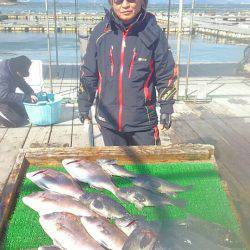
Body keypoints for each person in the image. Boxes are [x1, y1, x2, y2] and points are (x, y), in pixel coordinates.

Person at [78, 0, 177, 146]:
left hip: (143, 122)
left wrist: (166, 107)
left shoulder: (154, 33)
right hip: (108, 121)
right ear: (111, 3)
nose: (125, 5)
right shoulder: (100, 32)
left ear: (142, 2)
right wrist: (83, 104)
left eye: (131, 0)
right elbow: (88, 72)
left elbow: (166, 73)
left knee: (148, 167)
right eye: (118, 1)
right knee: (114, 167)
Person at [0, 55, 38, 127]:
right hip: (2, 98)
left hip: (6, 99)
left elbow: (21, 83)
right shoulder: (3, 75)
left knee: (26, 115)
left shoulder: (13, 68)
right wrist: (26, 97)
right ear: (17, 71)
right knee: (18, 122)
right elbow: (3, 95)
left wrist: (30, 93)